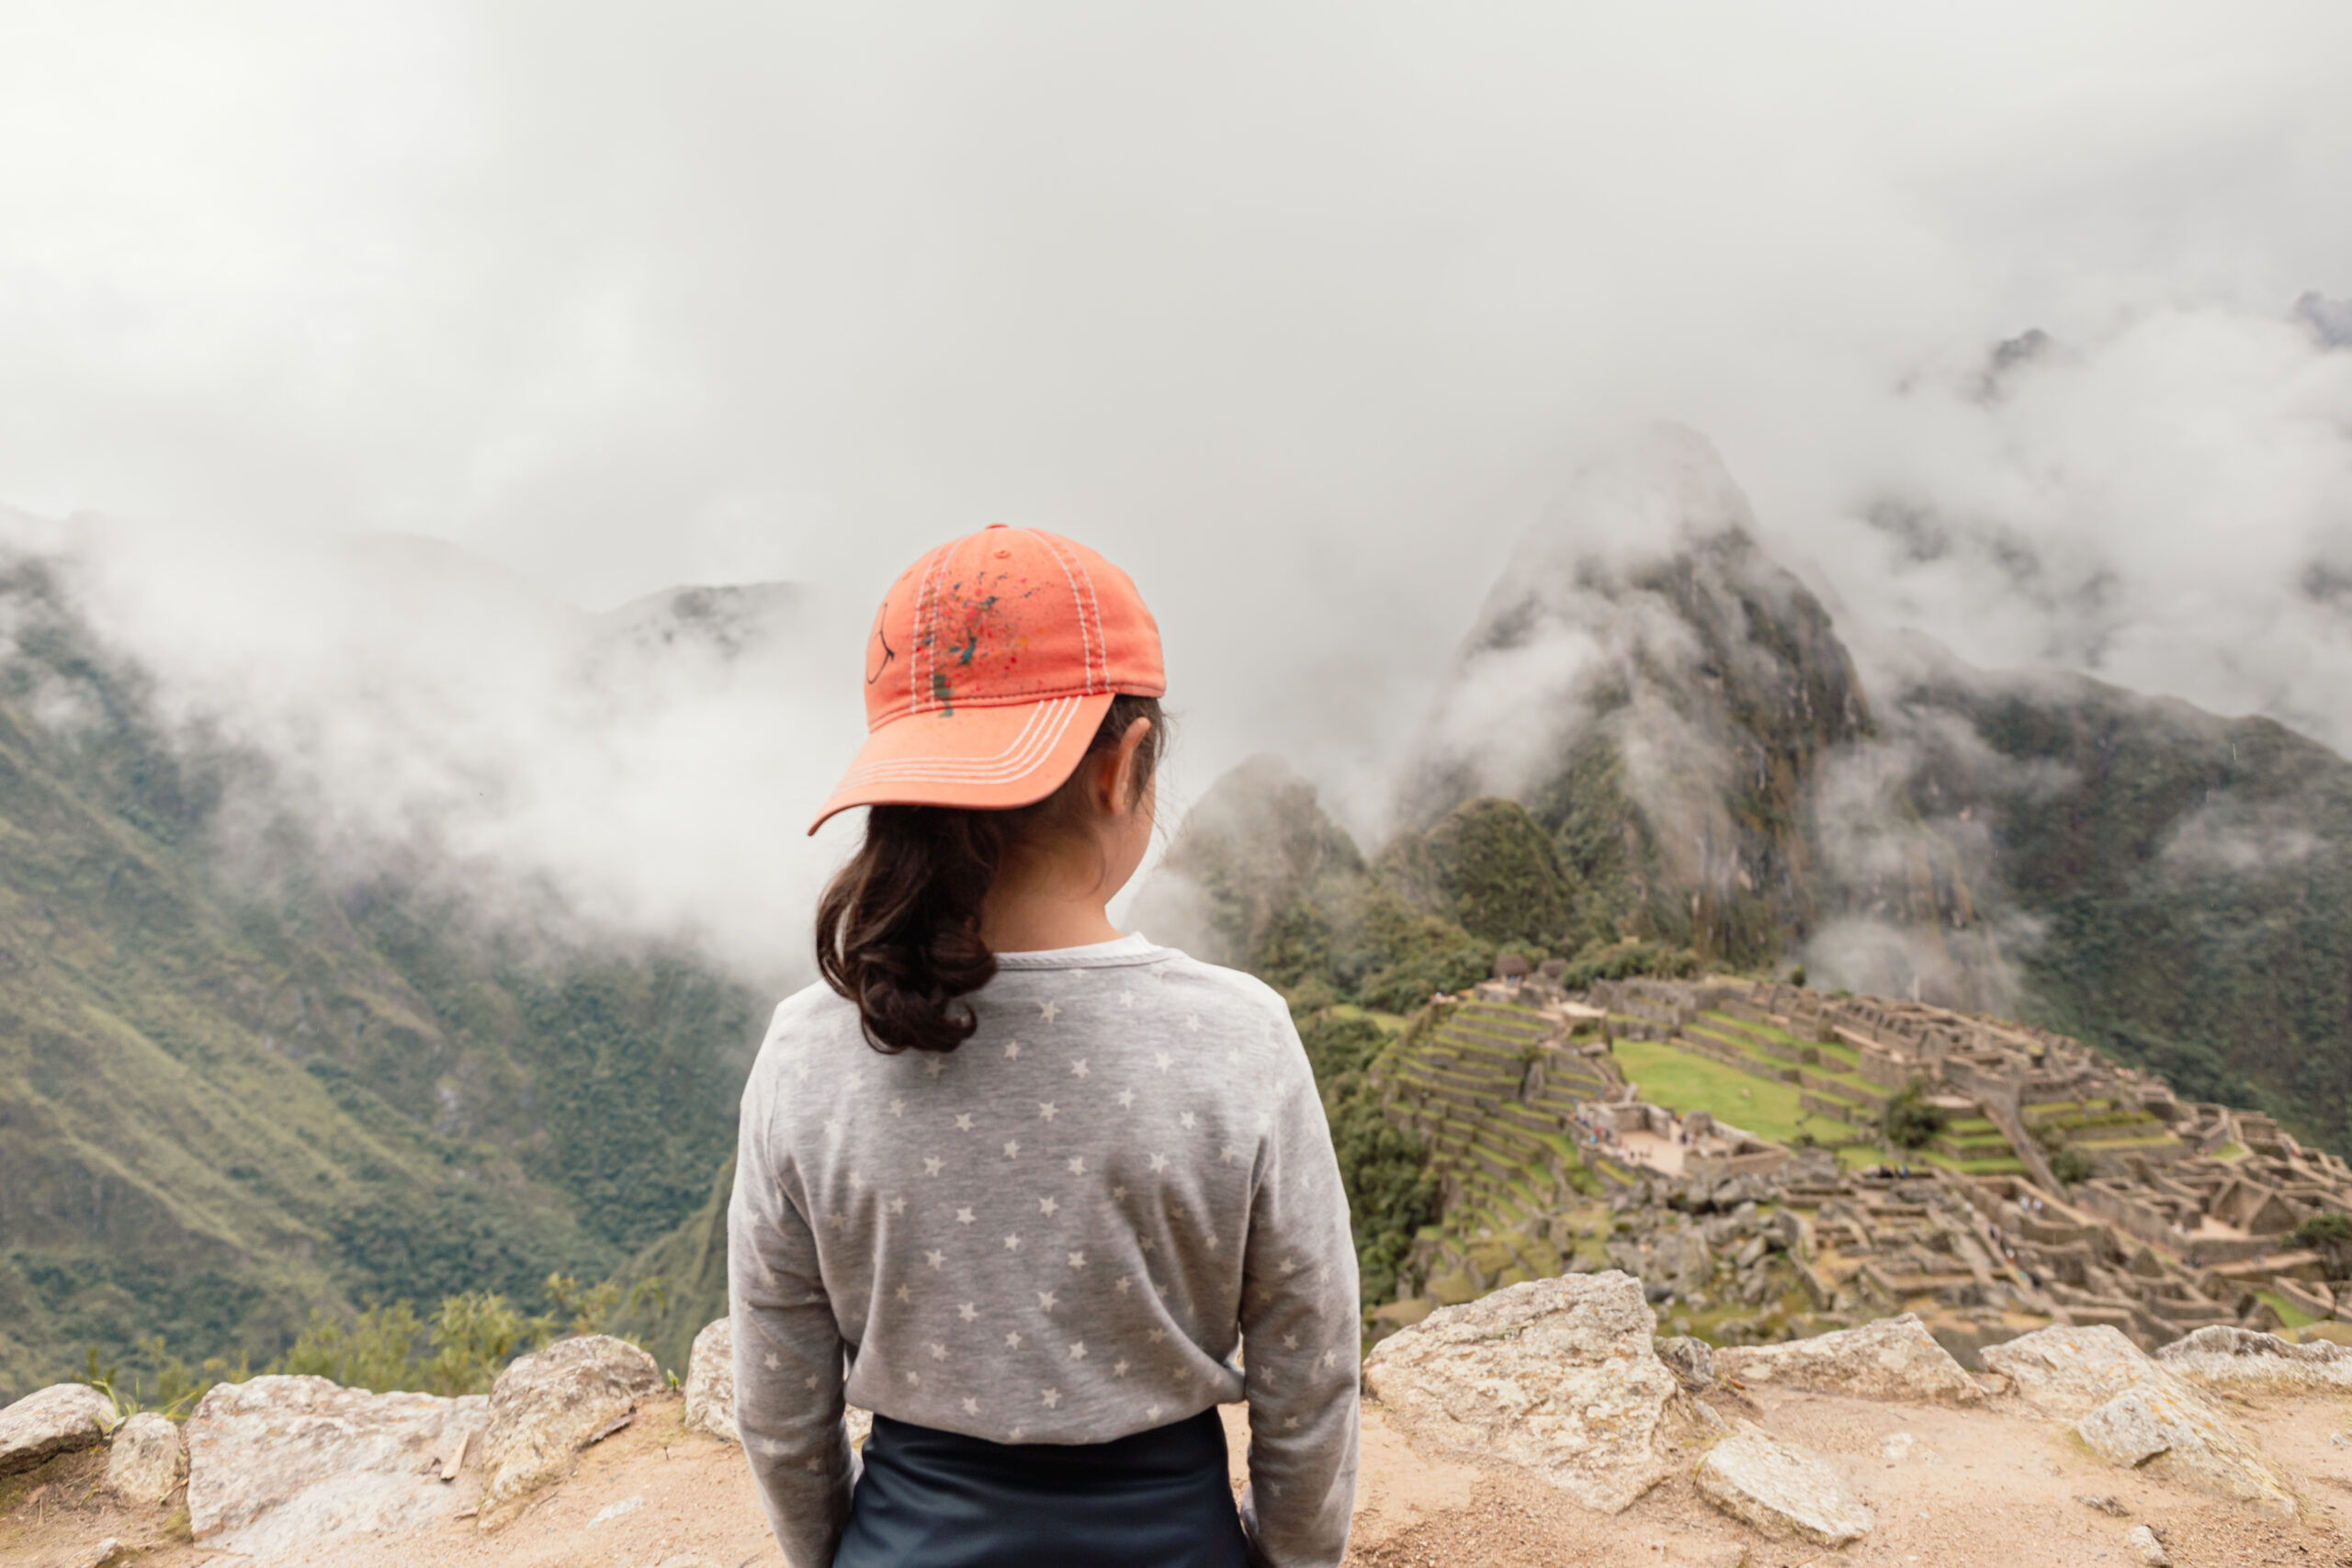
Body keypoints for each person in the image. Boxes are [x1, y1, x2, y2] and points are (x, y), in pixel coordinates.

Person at [729, 525, 1361, 1568]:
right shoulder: (1238, 1040)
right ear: (1131, 766)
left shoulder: (807, 1053)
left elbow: (781, 1411)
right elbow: (1310, 1377)